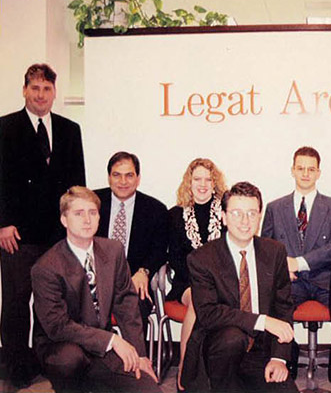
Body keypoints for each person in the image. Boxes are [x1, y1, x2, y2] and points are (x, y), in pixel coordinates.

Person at [0, 63, 87, 388]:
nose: (40, 95)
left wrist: (75, 228)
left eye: (46, 89)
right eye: (35, 88)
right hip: (17, 236)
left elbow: (77, 183)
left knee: (52, 304)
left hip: (56, 236)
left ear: (54, 92)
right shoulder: (5, 128)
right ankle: (16, 372)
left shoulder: (69, 129)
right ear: (25, 90)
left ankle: (48, 365)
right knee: (16, 303)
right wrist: (3, 223)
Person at [31, 187, 160, 393]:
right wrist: (112, 340)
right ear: (64, 219)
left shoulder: (113, 250)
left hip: (100, 347)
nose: (87, 220)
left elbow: (126, 305)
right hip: (61, 347)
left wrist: (140, 355)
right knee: (70, 360)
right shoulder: (46, 267)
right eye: (78, 213)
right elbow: (57, 326)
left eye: (92, 212)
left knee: (148, 389)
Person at [182, 182, 297, 392]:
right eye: (236, 213)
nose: (245, 221)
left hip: (261, 350)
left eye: (252, 213)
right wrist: (262, 321)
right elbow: (208, 314)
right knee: (233, 337)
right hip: (218, 352)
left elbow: (284, 307)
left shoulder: (275, 252)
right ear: (224, 217)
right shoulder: (202, 258)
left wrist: (278, 358)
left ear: (260, 216)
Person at [259, 147, 331, 377]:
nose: (305, 173)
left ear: (319, 172)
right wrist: (280, 269)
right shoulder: (274, 207)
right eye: (300, 168)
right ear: (292, 170)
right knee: (270, 305)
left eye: (311, 169)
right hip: (289, 281)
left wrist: (298, 263)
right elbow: (265, 248)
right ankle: (288, 350)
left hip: (325, 279)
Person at [166, 158, 228, 389]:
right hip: (187, 283)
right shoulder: (174, 215)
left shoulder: (226, 212)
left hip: (221, 281)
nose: (202, 184)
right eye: (197, 179)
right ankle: (185, 365)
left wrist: (214, 280)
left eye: (208, 179)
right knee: (198, 299)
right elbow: (175, 259)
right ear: (188, 182)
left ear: (215, 183)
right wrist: (201, 281)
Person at [93, 151, 171, 326]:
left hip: (133, 283)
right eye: (116, 175)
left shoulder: (155, 209)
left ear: (138, 178)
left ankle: (135, 354)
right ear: (108, 177)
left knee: (135, 308)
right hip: (93, 283)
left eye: (129, 175)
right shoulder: (92, 203)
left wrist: (144, 271)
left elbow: (159, 251)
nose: (122, 182)